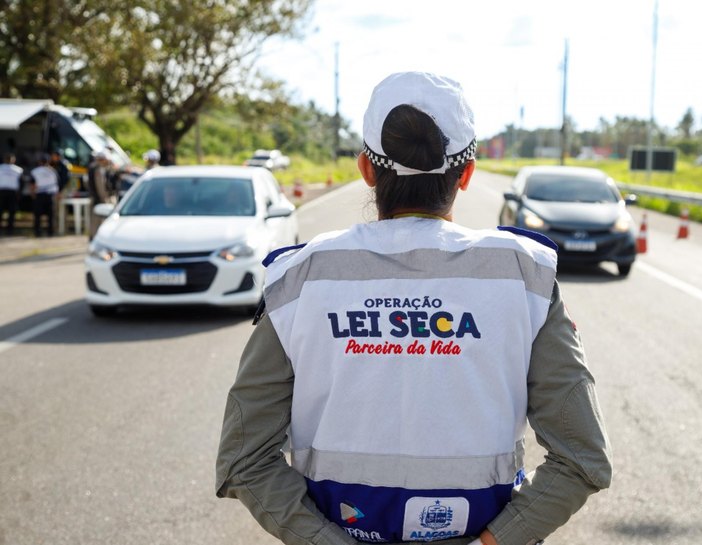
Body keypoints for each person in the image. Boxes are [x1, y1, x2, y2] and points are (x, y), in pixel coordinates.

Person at [215, 72, 612, 545]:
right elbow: (582, 459)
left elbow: (244, 459)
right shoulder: (525, 275)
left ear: (365, 169)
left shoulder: (298, 277)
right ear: (466, 175)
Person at [30, 154, 60, 237]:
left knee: (37, 215)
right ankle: (50, 232)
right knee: (51, 215)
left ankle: (37, 232)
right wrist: (57, 195)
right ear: (48, 162)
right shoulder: (53, 171)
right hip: (50, 195)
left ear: (39, 162)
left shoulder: (35, 171)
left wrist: (32, 194)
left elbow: (32, 184)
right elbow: (57, 184)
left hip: (39, 194)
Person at [0, 154, 23, 235]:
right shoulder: (18, 169)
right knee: (10, 211)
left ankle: (9, 230)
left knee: (10, 211)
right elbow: (21, 183)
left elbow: (21, 182)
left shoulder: (18, 169)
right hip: (9, 192)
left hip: (7, 192)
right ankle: (9, 230)